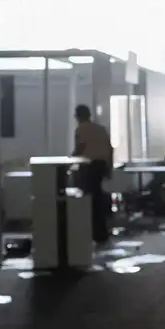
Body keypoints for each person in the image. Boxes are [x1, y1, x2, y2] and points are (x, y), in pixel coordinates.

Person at [72, 104, 114, 243]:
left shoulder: (80, 129)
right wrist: (109, 168)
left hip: (89, 167)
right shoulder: (101, 129)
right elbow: (110, 149)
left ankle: (95, 233)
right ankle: (101, 232)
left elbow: (80, 148)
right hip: (101, 165)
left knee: (89, 200)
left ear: (78, 116)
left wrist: (69, 160)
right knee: (97, 197)